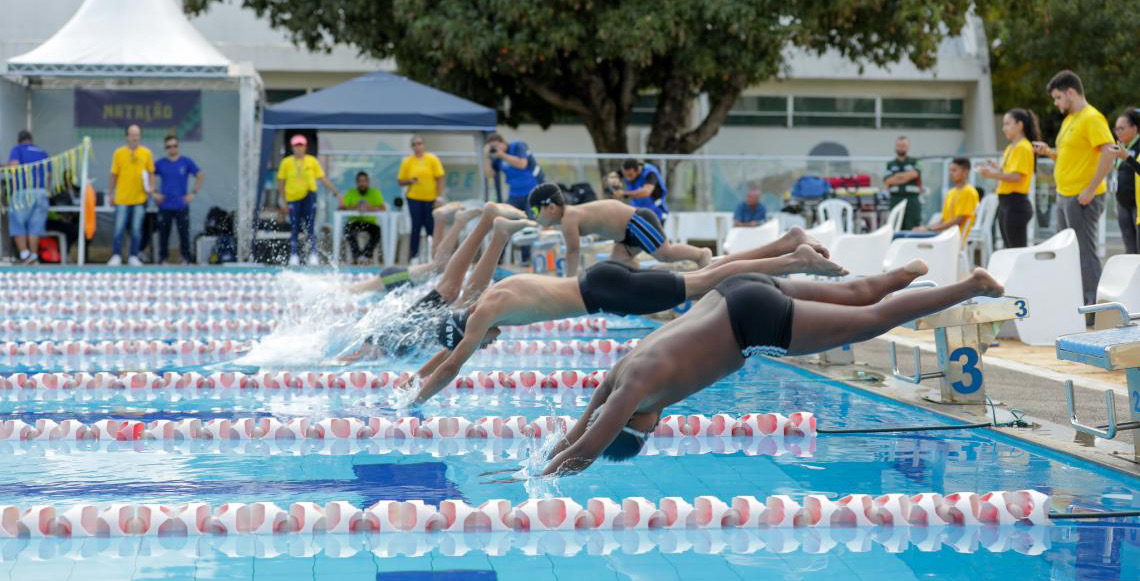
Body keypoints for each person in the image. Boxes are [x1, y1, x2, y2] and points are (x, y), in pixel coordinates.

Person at [537, 264, 1005, 476]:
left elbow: (583, 452)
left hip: (749, 323)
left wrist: (535, 481)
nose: (656, 426)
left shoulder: (634, 395)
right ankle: (902, 274)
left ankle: (970, 286)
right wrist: (543, 458)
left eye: (647, 432)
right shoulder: (618, 375)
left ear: (635, 426)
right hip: (731, 290)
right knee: (856, 294)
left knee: (870, 322)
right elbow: (578, 434)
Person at [405, 229, 845, 405]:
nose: (490, 343)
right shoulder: (489, 297)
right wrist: (414, 376)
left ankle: (794, 259)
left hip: (606, 293)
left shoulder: (482, 317)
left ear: (469, 330)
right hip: (601, 279)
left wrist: (413, 401)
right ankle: (785, 244)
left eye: (481, 341)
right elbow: (450, 353)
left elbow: (452, 364)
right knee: (703, 276)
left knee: (705, 281)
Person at [1031, 70, 1117, 305]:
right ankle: (1074, 304)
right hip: (1065, 195)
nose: (1056, 103)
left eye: (1058, 98)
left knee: (1085, 254)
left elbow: (1109, 151)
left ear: (1071, 92)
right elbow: (1071, 154)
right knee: (1067, 254)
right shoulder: (1070, 119)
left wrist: (1090, 189)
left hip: (1082, 198)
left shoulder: (1092, 117)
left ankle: (1094, 309)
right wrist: (1049, 152)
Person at [528, 183, 711, 277]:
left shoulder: (568, 219)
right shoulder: (568, 216)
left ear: (551, 207)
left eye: (536, 211)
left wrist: (569, 281)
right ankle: (645, 289)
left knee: (666, 254)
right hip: (625, 236)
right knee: (619, 265)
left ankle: (701, 254)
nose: (535, 216)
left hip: (636, 222)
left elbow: (573, 252)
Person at [979, 109, 1040, 248]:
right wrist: (995, 168)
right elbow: (1008, 171)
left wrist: (991, 174)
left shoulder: (1023, 147)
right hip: (1006, 202)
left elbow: (1016, 176)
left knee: (1016, 249)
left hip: (1015, 203)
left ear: (1020, 125)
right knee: (1010, 247)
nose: (1004, 128)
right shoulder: (1011, 148)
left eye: (1007, 124)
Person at [277, 134, 341, 266]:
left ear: (305, 147)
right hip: (293, 199)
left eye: (301, 145)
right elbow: (281, 183)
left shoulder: (312, 161)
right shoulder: (286, 162)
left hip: (309, 197)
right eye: (296, 146)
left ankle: (313, 254)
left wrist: (336, 193)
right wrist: (283, 202)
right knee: (294, 227)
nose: (298, 148)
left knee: (310, 226)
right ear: (292, 147)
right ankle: (294, 255)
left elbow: (323, 178)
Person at [108, 124, 156, 266]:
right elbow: (114, 175)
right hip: (122, 199)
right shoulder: (119, 153)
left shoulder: (146, 152)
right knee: (119, 228)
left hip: (139, 199)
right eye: (132, 134)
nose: (135, 137)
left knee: (136, 229)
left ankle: (133, 256)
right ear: (127, 137)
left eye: (137, 134)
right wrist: (111, 193)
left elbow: (151, 172)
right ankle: (116, 255)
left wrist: (151, 187)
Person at [153, 135, 202, 264]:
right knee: (163, 234)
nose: (172, 148)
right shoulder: (160, 163)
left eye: (174, 145)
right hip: (165, 205)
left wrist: (193, 193)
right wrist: (154, 193)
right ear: (166, 148)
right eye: (169, 146)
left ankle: (186, 258)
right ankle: (163, 258)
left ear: (178, 146)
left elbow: (200, 175)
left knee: (184, 234)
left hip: (181, 205)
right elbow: (147, 175)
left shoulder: (185, 162)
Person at [397, 135, 445, 261]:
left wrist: (440, 198)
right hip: (414, 198)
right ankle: (414, 257)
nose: (417, 146)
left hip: (431, 199)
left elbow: (440, 178)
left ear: (424, 145)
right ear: (411, 147)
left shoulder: (432, 159)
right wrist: (410, 180)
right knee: (416, 227)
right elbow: (400, 181)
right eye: (414, 144)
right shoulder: (407, 161)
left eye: (419, 143)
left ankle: (433, 256)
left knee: (431, 227)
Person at [6, 130, 50, 264]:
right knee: (35, 226)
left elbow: (14, 167)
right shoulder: (42, 152)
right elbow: (49, 175)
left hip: (22, 192)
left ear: (19, 140)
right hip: (41, 192)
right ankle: (34, 256)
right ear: (31, 139)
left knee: (17, 224)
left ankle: (24, 255)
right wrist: (46, 192)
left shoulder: (17, 149)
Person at [914, 157, 978, 239]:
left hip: (954, 239)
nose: (950, 173)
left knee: (909, 238)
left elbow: (958, 220)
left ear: (965, 171)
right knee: (910, 235)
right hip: (945, 236)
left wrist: (928, 229)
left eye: (954, 170)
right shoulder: (951, 193)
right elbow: (943, 220)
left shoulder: (968, 192)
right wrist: (925, 228)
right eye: (950, 170)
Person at [340, 171, 387, 264]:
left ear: (368, 182)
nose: (362, 184)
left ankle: (366, 255)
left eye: (364, 181)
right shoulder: (351, 192)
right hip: (355, 221)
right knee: (347, 230)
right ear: (357, 183)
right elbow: (342, 207)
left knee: (378, 231)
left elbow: (383, 208)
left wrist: (371, 208)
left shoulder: (375, 192)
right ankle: (358, 255)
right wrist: (355, 207)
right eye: (360, 181)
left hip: (370, 223)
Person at [1110, 108, 1140, 254]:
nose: (1118, 132)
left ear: (1134, 128)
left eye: (1122, 128)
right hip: (1123, 202)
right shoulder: (1121, 147)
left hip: (1137, 204)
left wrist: (1128, 157)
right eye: (1116, 129)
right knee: (1130, 247)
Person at [884, 136, 923, 230]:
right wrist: (907, 176)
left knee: (913, 227)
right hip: (895, 198)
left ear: (908, 147)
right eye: (899, 145)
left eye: (904, 145)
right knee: (895, 226)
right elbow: (888, 180)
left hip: (912, 199)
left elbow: (915, 174)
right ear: (895, 146)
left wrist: (897, 176)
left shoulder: (915, 161)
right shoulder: (890, 164)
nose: (901, 148)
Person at [618, 158, 669, 223]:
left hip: (656, 211)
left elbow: (646, 192)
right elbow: (613, 176)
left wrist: (624, 194)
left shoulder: (650, 173)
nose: (627, 178)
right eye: (625, 175)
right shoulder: (627, 171)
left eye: (630, 175)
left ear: (637, 170)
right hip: (637, 210)